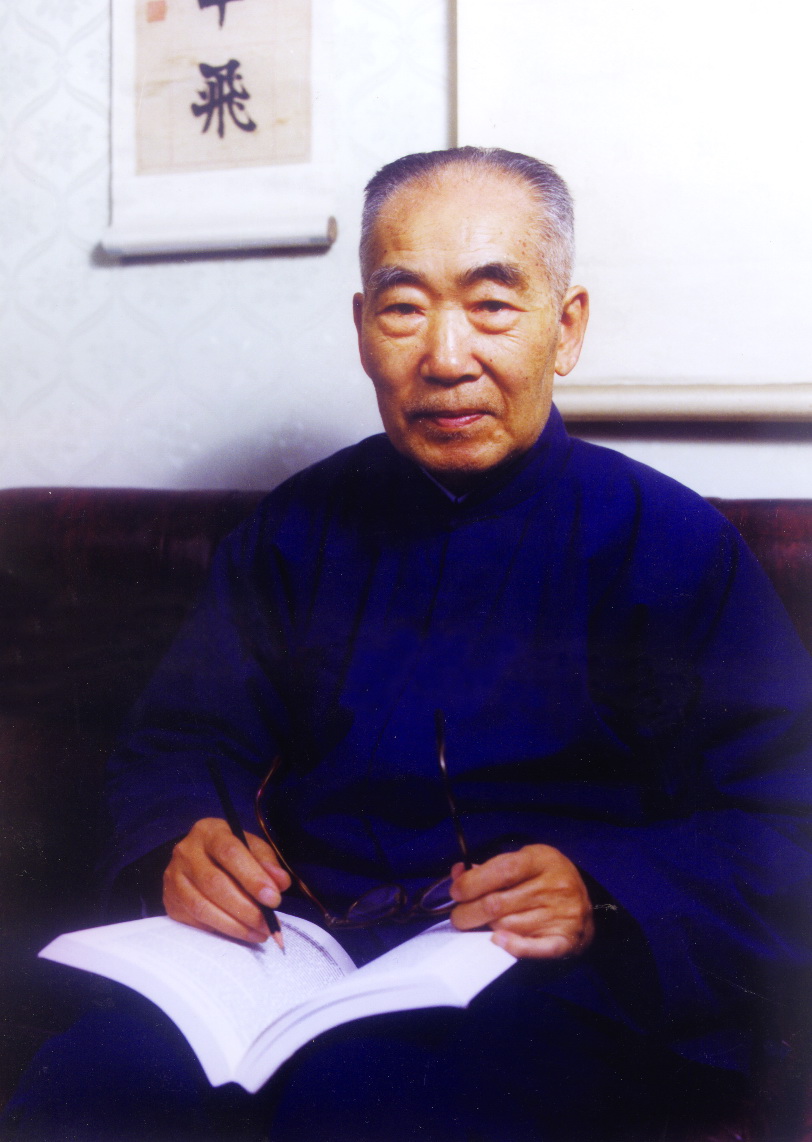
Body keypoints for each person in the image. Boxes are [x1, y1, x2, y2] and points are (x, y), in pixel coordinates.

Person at [4, 147, 812, 1142]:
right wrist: (184, 837)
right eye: (403, 308)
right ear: (360, 329)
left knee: (367, 1101)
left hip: (551, 977)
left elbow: (789, 812)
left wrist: (603, 890)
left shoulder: (669, 542)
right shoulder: (294, 530)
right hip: (299, 947)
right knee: (94, 1080)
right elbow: (182, 741)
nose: (445, 356)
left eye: (492, 306)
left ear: (565, 328)